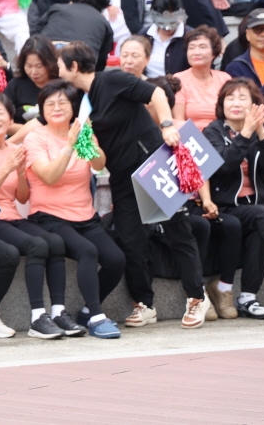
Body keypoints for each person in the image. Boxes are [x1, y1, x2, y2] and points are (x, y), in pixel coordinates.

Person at [56, 41, 209, 329]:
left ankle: (197, 297)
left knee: (178, 231)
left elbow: (157, 93)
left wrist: (167, 125)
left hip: (152, 163)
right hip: (123, 178)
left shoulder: (112, 79)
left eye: (60, 64)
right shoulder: (82, 101)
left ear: (73, 66)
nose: (57, 69)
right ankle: (144, 303)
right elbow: (98, 160)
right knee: (130, 239)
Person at [0, 94, 81, 340]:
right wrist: (7, 167)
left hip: (13, 215)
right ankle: (37, 316)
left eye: (1, 114)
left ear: (10, 119)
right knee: (37, 245)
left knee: (56, 242)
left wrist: (18, 173)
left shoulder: (14, 149)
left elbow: (22, 197)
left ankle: (58, 311)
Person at [24, 80, 126, 337]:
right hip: (49, 215)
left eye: (62, 102)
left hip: (85, 215)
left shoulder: (82, 132)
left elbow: (100, 164)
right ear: (41, 109)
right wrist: (69, 145)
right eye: (50, 103)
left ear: (73, 107)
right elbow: (49, 176)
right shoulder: (36, 137)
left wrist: (87, 141)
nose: (56, 107)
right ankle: (97, 317)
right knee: (87, 251)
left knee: (116, 259)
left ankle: (86, 311)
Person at [203, 78, 264, 319]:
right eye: (230, 98)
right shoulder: (212, 131)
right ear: (221, 104)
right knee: (263, 215)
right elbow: (224, 165)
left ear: (254, 104)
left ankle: (247, 298)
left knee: (260, 226)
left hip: (253, 209)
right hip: (223, 208)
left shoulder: (258, 130)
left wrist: (261, 133)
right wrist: (246, 132)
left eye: (242, 97)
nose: (235, 103)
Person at [38, 0, 115, 71]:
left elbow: (36, 33)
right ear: (102, 7)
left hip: (43, 61)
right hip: (79, 69)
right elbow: (101, 63)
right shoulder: (103, 22)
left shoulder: (56, 9)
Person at [173, 27, 230, 130]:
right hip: (190, 140)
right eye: (191, 48)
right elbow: (178, 121)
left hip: (221, 138)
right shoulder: (179, 79)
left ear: (214, 53)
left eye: (202, 47)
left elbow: (231, 117)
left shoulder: (224, 79)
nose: (196, 52)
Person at [225, 7, 264, 99]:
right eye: (257, 29)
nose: (263, 34)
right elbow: (241, 105)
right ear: (247, 34)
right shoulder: (236, 68)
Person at [4, 36, 58, 127]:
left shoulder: (60, 85)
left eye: (39, 66)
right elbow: (3, 122)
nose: (33, 72)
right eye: (29, 66)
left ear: (50, 64)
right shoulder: (15, 85)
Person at [137, 0, 189, 77]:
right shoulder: (144, 35)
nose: (167, 27)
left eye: (172, 22)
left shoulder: (190, 37)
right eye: (161, 22)